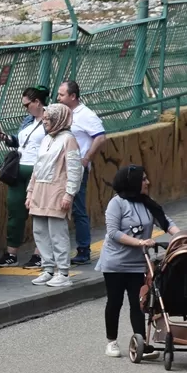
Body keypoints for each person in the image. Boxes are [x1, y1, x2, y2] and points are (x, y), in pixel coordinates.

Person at [96, 165, 180, 358]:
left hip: (137, 263)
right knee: (115, 301)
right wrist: (140, 242)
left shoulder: (147, 203)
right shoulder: (116, 203)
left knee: (138, 302)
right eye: (143, 179)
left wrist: (183, 237)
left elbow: (166, 223)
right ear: (132, 182)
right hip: (115, 263)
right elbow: (113, 232)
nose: (147, 182)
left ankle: (140, 343)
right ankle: (112, 342)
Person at [25, 103, 82, 288]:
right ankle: (48, 268)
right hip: (41, 190)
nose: (45, 122)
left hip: (57, 190)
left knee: (57, 232)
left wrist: (69, 194)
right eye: (45, 119)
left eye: (48, 119)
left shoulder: (68, 139)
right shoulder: (46, 139)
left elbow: (74, 169)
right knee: (40, 231)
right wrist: (30, 191)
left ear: (58, 120)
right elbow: (37, 168)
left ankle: (63, 272)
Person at [0, 85, 48, 268]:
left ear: (37, 102)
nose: (25, 109)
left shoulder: (51, 118)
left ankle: (40, 253)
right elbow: (24, 141)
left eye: (27, 105)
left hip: (39, 170)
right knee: (15, 211)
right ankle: (12, 253)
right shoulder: (28, 120)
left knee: (39, 213)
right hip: (19, 170)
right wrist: (9, 139)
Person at [56, 81, 105, 265]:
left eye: (62, 95)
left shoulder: (85, 115)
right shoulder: (64, 113)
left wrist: (86, 159)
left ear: (73, 96)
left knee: (77, 209)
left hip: (76, 169)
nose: (58, 98)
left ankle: (83, 249)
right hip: (62, 168)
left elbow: (100, 137)